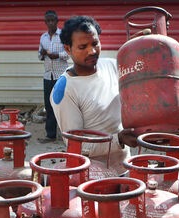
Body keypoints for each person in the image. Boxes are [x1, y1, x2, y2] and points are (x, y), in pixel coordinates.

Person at [50, 15, 136, 174]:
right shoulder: (65, 89)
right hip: (91, 177)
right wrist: (119, 139)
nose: (92, 51)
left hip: (125, 167)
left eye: (95, 43)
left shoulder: (112, 66)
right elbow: (76, 144)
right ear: (68, 49)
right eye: (83, 47)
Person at [38, 10, 69, 144]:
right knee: (49, 105)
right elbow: (39, 56)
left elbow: (68, 53)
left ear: (57, 21)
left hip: (61, 76)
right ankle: (50, 135)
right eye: (48, 21)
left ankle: (66, 135)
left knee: (63, 105)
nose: (50, 23)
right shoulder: (43, 37)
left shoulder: (63, 35)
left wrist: (56, 55)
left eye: (53, 20)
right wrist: (43, 53)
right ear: (45, 22)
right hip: (48, 76)